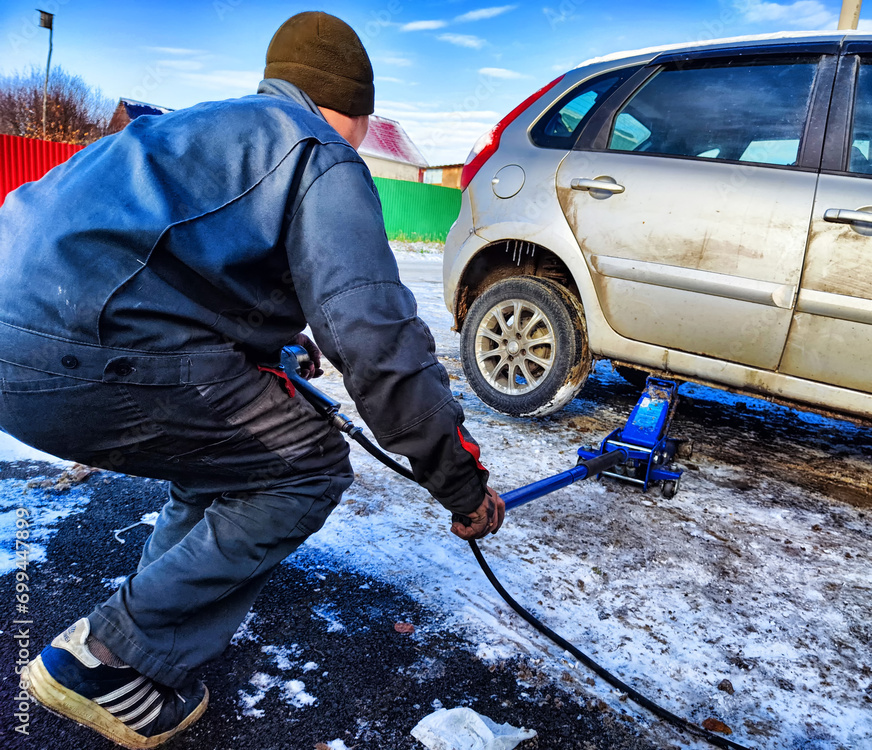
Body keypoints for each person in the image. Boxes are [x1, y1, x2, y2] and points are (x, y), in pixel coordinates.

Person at [0, 11, 504, 748]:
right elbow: (379, 341)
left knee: (225, 457)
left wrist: (269, 339)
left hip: (19, 343)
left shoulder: (193, 129)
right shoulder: (320, 151)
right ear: (355, 108)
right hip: (81, 354)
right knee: (303, 465)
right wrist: (458, 481)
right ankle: (106, 658)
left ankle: (150, 647)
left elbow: (163, 266)